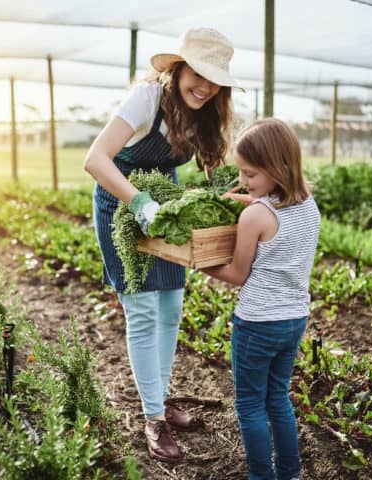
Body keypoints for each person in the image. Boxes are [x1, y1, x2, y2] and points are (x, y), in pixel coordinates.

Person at [84, 27, 242, 463]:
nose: (206, 87)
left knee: (171, 306)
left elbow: (216, 169)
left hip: (166, 205)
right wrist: (138, 202)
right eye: (199, 74)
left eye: (215, 80)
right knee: (142, 309)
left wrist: (236, 201)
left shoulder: (206, 112)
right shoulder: (146, 99)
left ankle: (161, 396)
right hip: (122, 203)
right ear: (178, 68)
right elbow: (95, 159)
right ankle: (153, 417)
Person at [202, 118, 321, 480]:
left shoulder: (255, 216)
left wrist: (200, 263)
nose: (244, 182)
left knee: (250, 406)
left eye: (250, 174)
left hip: (256, 324)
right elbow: (272, 217)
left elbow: (238, 275)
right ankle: (290, 474)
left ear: (278, 167)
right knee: (278, 399)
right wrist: (254, 199)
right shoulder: (308, 205)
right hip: (293, 321)